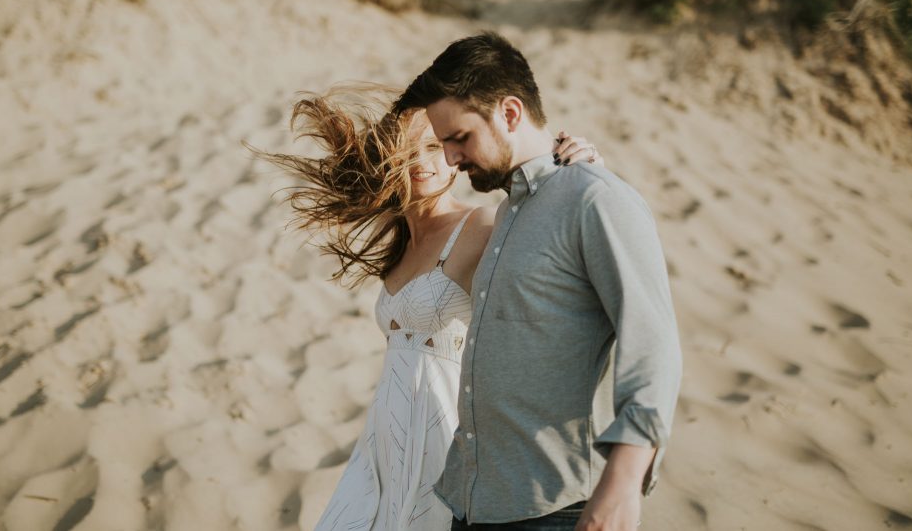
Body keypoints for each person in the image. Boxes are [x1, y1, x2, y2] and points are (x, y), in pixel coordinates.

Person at [254, 85, 602, 531]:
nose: (423, 160)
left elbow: (549, 255)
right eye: (407, 149)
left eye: (435, 146)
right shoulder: (399, 243)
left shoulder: (479, 224)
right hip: (384, 435)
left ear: (455, 157)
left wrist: (581, 172)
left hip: (442, 432)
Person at [392, 32, 683, 531]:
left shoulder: (596, 200)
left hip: (555, 508)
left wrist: (623, 485)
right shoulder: (506, 211)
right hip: (470, 499)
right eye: (443, 145)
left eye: (459, 139)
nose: (451, 159)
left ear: (509, 113)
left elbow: (654, 347)